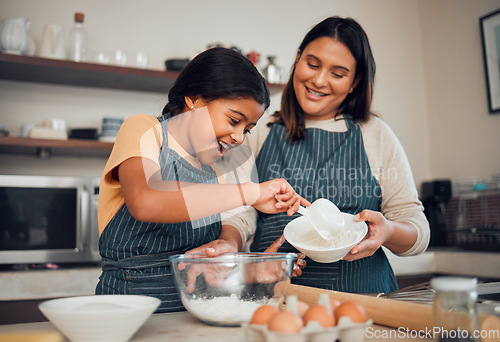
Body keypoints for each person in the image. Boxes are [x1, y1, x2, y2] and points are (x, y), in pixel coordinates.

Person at [224, 16, 430, 294]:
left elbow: (416, 227)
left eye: (338, 73)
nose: (319, 80)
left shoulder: (376, 134)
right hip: (277, 297)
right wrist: (228, 245)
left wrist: (389, 232)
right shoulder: (258, 131)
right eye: (312, 64)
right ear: (297, 59)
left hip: (368, 300)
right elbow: (238, 214)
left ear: (355, 81)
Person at [95, 47, 307, 313]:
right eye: (233, 120)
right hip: (128, 310)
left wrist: (238, 256)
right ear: (194, 98)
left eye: (247, 129)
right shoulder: (145, 131)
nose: (239, 138)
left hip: (197, 312)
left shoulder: (221, 166)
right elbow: (146, 201)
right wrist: (250, 193)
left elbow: (223, 239)